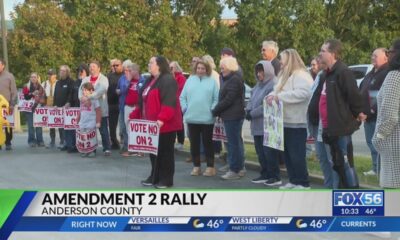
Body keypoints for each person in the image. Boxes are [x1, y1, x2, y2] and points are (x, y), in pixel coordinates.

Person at [318, 39, 366, 189]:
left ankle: (353, 196)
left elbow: (354, 96)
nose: (320, 53)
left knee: (345, 164)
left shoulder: (343, 72)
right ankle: (339, 196)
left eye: (323, 50)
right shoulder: (327, 74)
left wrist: (359, 113)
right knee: (336, 165)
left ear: (332, 53)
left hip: (341, 128)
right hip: (329, 128)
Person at [130, 56, 182, 189]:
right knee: (153, 152)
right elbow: (143, 100)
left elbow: (169, 102)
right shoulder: (150, 80)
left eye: (151, 62)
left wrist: (162, 119)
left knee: (165, 152)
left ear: (159, 65)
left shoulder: (168, 80)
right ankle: (154, 176)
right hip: (150, 126)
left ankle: (166, 179)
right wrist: (135, 115)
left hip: (165, 125)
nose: (148, 64)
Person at [266, 49, 313, 189]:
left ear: (290, 59)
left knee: (297, 154)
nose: (280, 62)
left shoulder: (301, 75)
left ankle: (303, 182)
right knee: (287, 154)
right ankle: (293, 180)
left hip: (297, 121)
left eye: (282, 59)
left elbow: (304, 93)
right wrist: (270, 96)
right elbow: (276, 90)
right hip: (283, 120)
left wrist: (279, 97)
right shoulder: (284, 75)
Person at [180, 59, 219, 176]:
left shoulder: (212, 82)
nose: (200, 70)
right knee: (194, 144)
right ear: (195, 69)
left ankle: (210, 167)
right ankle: (196, 166)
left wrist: (212, 109)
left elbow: (216, 99)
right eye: (198, 68)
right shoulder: (190, 81)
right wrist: (184, 108)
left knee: (208, 143)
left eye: (203, 68)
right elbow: (182, 97)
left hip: (207, 118)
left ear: (207, 69)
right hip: (192, 117)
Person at [372, 39, 400, 188]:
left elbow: (389, 116)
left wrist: (378, 138)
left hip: (394, 146)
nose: (388, 56)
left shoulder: (395, 76)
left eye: (390, 52)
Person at [212, 56, 245, 180]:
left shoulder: (234, 80)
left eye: (223, 67)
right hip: (229, 115)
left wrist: (216, 110)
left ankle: (234, 169)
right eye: (220, 67)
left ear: (230, 67)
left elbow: (228, 99)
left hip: (233, 115)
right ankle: (238, 167)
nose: (221, 70)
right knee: (234, 142)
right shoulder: (228, 79)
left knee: (233, 144)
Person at [246, 61, 279, 185]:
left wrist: (252, 113)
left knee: (269, 152)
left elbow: (267, 105)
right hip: (257, 125)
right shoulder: (258, 85)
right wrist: (248, 110)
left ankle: (274, 176)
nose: (259, 74)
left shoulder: (273, 84)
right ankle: (264, 173)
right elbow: (251, 98)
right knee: (260, 152)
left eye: (261, 71)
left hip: (268, 125)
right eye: (258, 71)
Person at [360, 48, 389, 176]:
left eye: (375, 56)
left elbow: (382, 96)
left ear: (385, 58)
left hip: (377, 117)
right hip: (366, 116)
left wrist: (371, 111)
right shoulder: (371, 73)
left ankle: (381, 170)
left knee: (378, 144)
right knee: (371, 143)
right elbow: (361, 90)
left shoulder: (387, 73)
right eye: (372, 55)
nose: (372, 58)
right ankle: (376, 168)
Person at [78, 61, 111, 156]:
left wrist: (89, 97)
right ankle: (90, 149)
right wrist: (82, 98)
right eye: (90, 66)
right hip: (88, 111)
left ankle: (107, 148)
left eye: (94, 66)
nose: (91, 68)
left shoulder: (103, 79)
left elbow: (102, 90)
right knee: (89, 132)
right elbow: (80, 90)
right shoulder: (86, 79)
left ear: (99, 68)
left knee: (103, 130)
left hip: (100, 109)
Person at [118, 60, 143, 157]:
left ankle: (139, 149)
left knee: (137, 129)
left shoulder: (142, 80)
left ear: (136, 71)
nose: (128, 72)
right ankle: (131, 148)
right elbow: (123, 91)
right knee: (128, 129)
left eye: (130, 70)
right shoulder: (128, 80)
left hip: (136, 107)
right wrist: (128, 81)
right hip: (127, 106)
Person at [65, 63, 88, 153]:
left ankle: (83, 145)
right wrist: (68, 102)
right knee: (74, 128)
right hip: (75, 108)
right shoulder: (75, 82)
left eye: (81, 71)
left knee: (83, 128)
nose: (80, 73)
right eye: (78, 71)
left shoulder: (88, 81)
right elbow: (71, 94)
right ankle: (73, 145)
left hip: (85, 108)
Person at [76, 82, 101, 158]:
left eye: (86, 90)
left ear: (91, 91)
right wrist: (77, 120)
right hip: (83, 121)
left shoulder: (94, 99)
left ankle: (92, 151)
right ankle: (84, 150)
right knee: (83, 137)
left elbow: (98, 111)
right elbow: (80, 111)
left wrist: (98, 122)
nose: (84, 92)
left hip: (91, 121)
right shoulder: (82, 100)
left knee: (91, 137)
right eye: (83, 90)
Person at [53, 65, 73, 151]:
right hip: (59, 108)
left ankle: (68, 143)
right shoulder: (58, 83)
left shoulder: (71, 82)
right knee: (61, 126)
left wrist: (68, 102)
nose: (62, 72)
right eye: (61, 71)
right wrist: (55, 104)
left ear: (67, 72)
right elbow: (55, 94)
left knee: (67, 127)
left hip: (67, 108)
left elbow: (71, 94)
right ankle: (62, 142)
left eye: (64, 71)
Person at [22, 73, 45, 147]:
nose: (33, 78)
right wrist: (32, 94)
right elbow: (25, 97)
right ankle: (31, 141)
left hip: (38, 107)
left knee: (39, 125)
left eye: (34, 77)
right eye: (31, 77)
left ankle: (40, 140)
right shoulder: (26, 86)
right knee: (31, 125)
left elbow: (44, 96)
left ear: (38, 78)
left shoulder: (41, 86)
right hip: (29, 108)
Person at [0, 59, 17, 151]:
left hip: (6, 105)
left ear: (3, 66)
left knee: (7, 125)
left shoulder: (9, 76)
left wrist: (12, 103)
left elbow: (14, 92)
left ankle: (8, 142)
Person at [170, 61, 187, 151]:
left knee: (179, 123)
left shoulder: (181, 77)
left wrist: (173, 77)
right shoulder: (170, 77)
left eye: (172, 68)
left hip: (179, 103)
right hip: (171, 102)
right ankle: (173, 141)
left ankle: (181, 141)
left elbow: (178, 88)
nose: (171, 69)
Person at [107, 59, 123, 150]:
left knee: (123, 126)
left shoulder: (124, 76)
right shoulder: (109, 76)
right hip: (111, 103)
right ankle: (114, 142)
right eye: (114, 65)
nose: (115, 67)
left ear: (121, 65)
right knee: (112, 126)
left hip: (121, 103)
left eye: (117, 65)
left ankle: (125, 142)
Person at [42, 69, 59, 148]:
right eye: (48, 74)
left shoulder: (59, 83)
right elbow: (41, 95)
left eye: (51, 74)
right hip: (48, 106)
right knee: (51, 125)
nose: (50, 76)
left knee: (60, 124)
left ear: (55, 75)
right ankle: (52, 141)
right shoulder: (44, 84)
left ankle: (63, 140)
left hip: (57, 106)